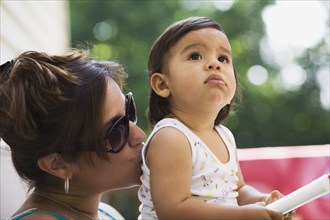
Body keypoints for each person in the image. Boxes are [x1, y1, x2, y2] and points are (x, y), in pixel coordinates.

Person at [138, 17, 294, 219]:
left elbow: (239, 191)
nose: (214, 64)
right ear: (162, 84)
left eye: (223, 59)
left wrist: (263, 201)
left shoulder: (225, 136)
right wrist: (242, 216)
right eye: (195, 56)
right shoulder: (172, 137)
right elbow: (173, 211)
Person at [0, 50, 145, 219]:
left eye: (130, 111)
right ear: (58, 164)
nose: (139, 135)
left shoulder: (107, 213)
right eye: (116, 132)